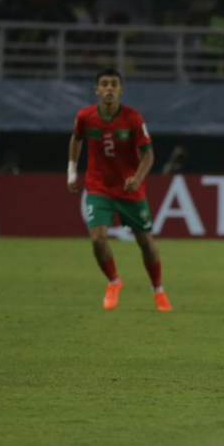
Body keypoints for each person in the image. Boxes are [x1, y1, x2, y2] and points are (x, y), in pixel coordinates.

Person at [67, 68, 172, 312]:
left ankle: (158, 290)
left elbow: (148, 154)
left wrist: (137, 178)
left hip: (130, 190)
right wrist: (72, 172)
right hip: (98, 188)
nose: (109, 88)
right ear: (96, 89)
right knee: (97, 239)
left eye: (114, 84)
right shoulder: (85, 117)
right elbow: (76, 139)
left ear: (121, 89)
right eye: (104, 84)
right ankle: (114, 282)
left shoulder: (133, 119)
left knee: (146, 242)